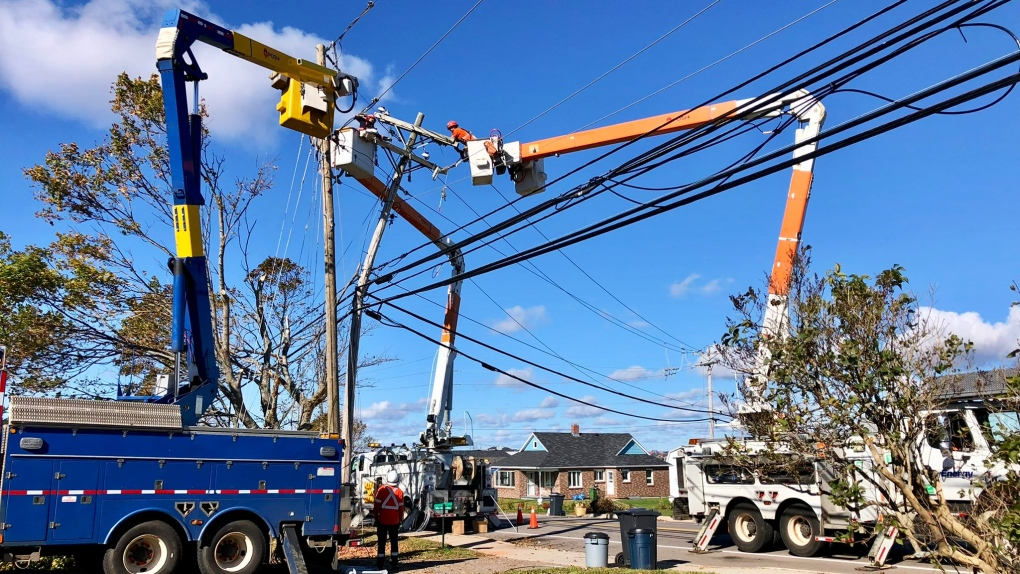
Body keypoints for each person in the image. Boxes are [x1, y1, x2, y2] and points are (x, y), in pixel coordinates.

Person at [374, 469, 404, 571]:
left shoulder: (381, 490)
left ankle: (380, 563)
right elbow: (401, 509)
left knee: (381, 542)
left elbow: (376, 506)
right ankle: (394, 563)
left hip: (382, 520)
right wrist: (400, 520)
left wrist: (376, 518)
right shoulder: (400, 492)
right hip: (394, 521)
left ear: (387, 478)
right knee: (394, 542)